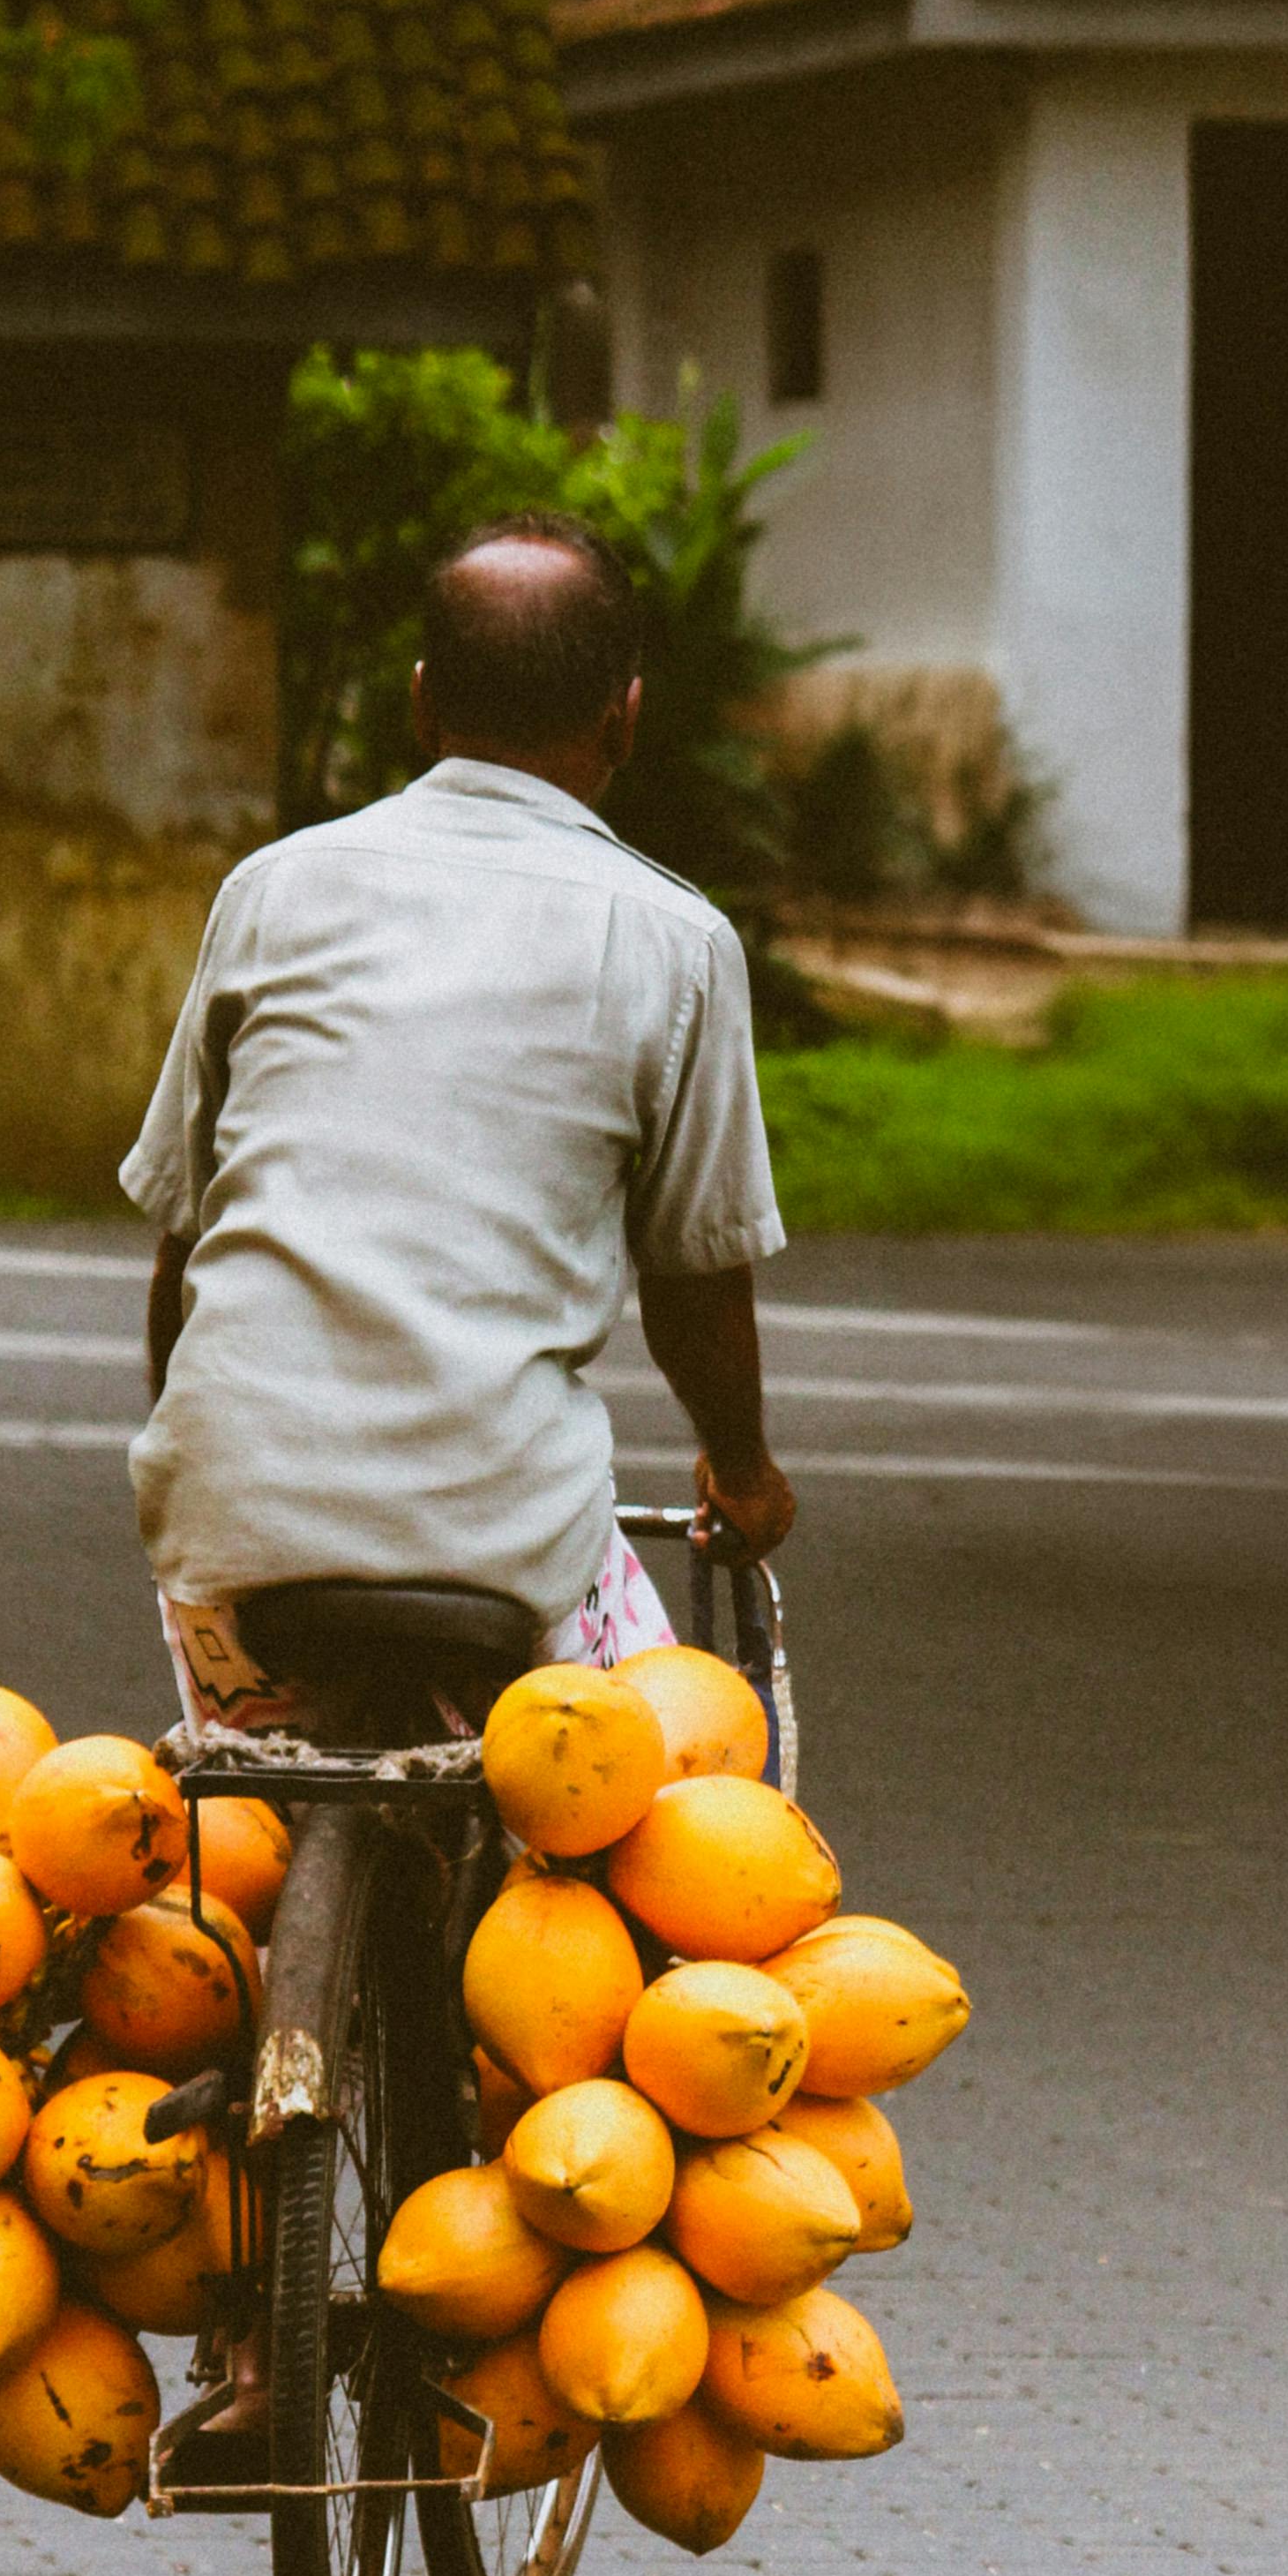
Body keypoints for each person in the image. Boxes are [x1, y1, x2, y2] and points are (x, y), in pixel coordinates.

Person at [122, 511, 794, 1734]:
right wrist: (744, 1477)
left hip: (229, 1543)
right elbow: (696, 1285)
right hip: (507, 1538)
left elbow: (186, 1252)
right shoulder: (674, 941)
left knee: (242, 1842)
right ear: (624, 718)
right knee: (687, 1779)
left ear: (423, 706)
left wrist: (220, 1443)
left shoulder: (271, 893)